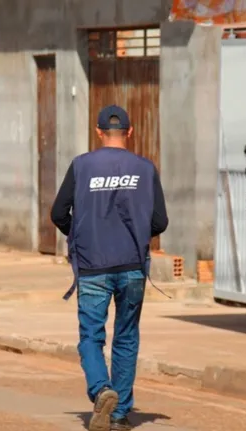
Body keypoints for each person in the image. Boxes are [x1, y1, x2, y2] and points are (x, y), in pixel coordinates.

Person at [50, 105, 168, 431]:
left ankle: (102, 389)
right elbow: (160, 221)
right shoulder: (145, 168)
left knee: (91, 337)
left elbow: (58, 213)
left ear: (99, 132)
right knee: (127, 338)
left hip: (92, 266)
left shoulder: (81, 166)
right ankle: (119, 416)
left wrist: (80, 233)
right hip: (132, 266)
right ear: (130, 132)